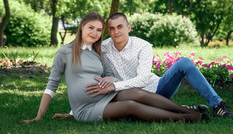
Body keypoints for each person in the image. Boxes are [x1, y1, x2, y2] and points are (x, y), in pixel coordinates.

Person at [22, 12, 207, 123]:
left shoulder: (99, 52)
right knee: (130, 105)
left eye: (98, 30)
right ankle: (189, 117)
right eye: (90, 28)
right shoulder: (65, 52)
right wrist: (40, 116)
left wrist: (109, 83)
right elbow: (51, 86)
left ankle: (187, 110)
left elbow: (110, 76)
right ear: (81, 28)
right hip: (86, 108)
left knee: (137, 93)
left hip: (105, 94)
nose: (95, 33)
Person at [95, 12, 233, 118]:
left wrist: (115, 86)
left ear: (129, 28)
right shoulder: (103, 48)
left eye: (120, 27)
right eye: (112, 28)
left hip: (156, 90)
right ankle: (185, 108)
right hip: (126, 98)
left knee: (184, 63)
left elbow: (143, 79)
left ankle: (218, 105)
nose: (116, 31)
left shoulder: (142, 46)